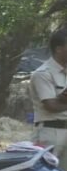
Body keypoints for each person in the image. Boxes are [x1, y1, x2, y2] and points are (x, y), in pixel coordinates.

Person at [30, 27, 67, 160]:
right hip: (50, 133)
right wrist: (60, 101)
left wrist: (62, 100)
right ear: (58, 49)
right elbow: (51, 107)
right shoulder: (42, 74)